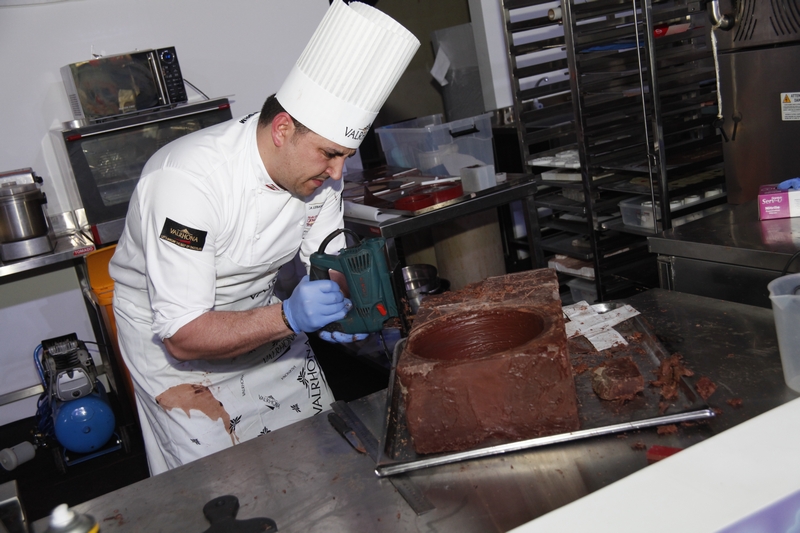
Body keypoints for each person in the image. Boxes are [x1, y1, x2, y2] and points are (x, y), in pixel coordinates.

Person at [109, 0, 419, 476]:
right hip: (177, 340)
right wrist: (291, 314)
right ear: (282, 129)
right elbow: (185, 335)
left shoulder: (318, 174)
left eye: (345, 156)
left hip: (265, 315)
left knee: (322, 453)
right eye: (329, 154)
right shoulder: (187, 184)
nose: (339, 172)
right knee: (225, 485)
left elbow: (330, 257)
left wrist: (347, 302)